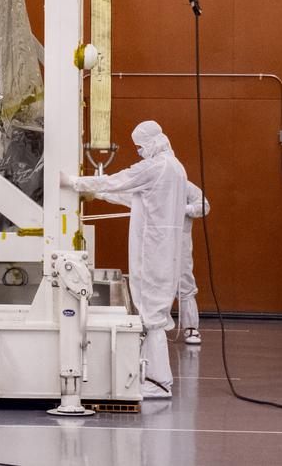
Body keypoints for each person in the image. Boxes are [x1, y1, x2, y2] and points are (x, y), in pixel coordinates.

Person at [64, 120, 186, 399]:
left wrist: (72, 182)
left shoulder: (157, 167)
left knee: (151, 313)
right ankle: (153, 376)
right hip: (164, 250)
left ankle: (158, 381)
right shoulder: (174, 169)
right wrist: (98, 192)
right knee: (152, 311)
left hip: (153, 250)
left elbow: (118, 180)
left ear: (154, 141)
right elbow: (133, 198)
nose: (140, 152)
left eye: (141, 146)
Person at [178, 180, 209, 346]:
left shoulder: (184, 185)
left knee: (184, 281)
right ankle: (151, 326)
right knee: (155, 282)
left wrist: (184, 209)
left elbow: (204, 205)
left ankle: (190, 327)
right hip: (156, 242)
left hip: (180, 244)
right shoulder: (151, 181)